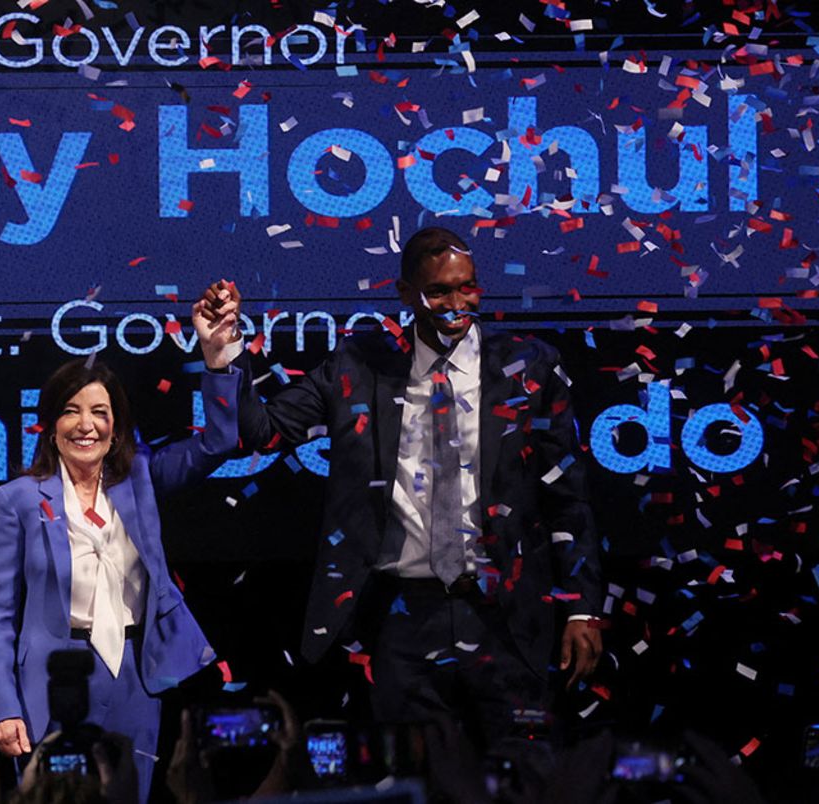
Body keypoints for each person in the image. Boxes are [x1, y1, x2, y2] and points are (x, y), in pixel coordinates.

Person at [198, 227, 603, 757]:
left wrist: (581, 608)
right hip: (402, 620)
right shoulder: (358, 367)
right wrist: (224, 355)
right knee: (414, 779)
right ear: (407, 294)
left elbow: (567, 495)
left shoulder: (529, 368)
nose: (457, 305)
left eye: (468, 288)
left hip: (505, 614)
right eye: (439, 293)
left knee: (521, 775)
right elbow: (261, 431)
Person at [0, 294, 242, 802]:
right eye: (72, 412)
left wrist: (217, 358)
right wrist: (3, 706)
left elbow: (219, 443)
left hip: (133, 675)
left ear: (115, 425)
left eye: (100, 413)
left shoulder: (139, 476)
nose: (86, 425)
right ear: (50, 425)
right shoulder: (16, 500)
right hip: (50, 679)